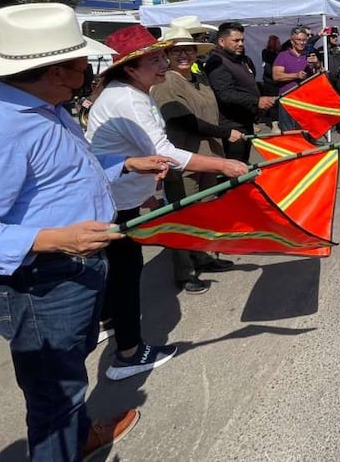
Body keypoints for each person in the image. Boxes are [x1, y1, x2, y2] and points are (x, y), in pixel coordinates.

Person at [0, 2, 176, 460]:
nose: (91, 69)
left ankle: (79, 436)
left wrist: (122, 162)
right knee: (54, 398)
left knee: (68, 377)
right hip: (42, 284)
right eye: (83, 61)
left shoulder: (44, 107)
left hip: (74, 272)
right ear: (60, 72)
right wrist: (54, 239)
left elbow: (59, 175)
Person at [86, 25, 250, 381]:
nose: (164, 64)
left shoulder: (131, 92)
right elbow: (164, 151)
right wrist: (222, 163)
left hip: (121, 194)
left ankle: (108, 320)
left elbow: (140, 152)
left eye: (163, 57)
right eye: (155, 59)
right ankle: (129, 352)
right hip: (111, 201)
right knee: (126, 270)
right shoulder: (127, 99)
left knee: (118, 268)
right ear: (130, 68)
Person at [150, 26, 238, 294]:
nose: (183, 55)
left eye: (187, 49)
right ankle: (184, 271)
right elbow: (184, 121)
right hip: (184, 160)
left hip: (209, 156)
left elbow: (213, 114)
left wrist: (233, 130)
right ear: (166, 55)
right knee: (184, 215)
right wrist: (226, 132)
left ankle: (203, 256)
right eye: (176, 51)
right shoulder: (165, 82)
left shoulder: (199, 80)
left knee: (205, 212)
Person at [204, 22, 276, 162]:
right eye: (236, 40)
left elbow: (249, 84)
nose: (241, 44)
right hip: (231, 126)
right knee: (234, 167)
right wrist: (256, 101)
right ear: (222, 42)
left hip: (246, 122)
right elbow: (225, 94)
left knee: (243, 162)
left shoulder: (243, 60)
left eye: (242, 40)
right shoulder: (217, 62)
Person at [272, 26, 320, 131]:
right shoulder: (283, 56)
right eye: (299, 40)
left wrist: (317, 64)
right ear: (292, 41)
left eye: (304, 40)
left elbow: (320, 73)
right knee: (289, 132)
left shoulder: (309, 55)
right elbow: (276, 76)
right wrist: (296, 75)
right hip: (288, 99)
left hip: (306, 100)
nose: (302, 43)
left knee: (305, 130)